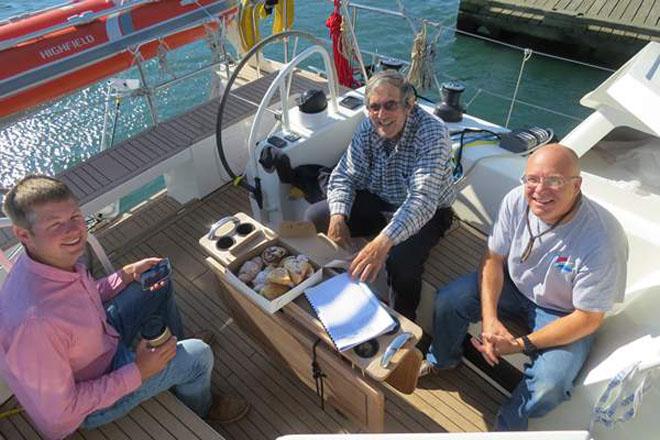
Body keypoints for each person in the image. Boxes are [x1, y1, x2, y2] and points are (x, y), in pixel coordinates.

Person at [0, 175, 249, 439]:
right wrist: (139, 371)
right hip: (90, 401)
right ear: (23, 234)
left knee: (157, 281)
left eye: (75, 217)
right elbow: (61, 415)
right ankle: (202, 403)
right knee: (200, 356)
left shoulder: (44, 261)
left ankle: (172, 349)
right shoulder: (34, 324)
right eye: (55, 225)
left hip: (101, 339)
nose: (73, 231)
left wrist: (127, 273)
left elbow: (82, 298)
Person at [421, 144, 628, 430]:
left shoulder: (602, 239)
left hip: (563, 312)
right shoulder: (515, 201)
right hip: (513, 285)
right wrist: (490, 319)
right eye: (532, 179)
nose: (539, 190)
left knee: (550, 385)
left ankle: (508, 425)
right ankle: (443, 359)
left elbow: (588, 318)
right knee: (450, 300)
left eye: (554, 180)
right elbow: (493, 259)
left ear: (577, 185)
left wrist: (519, 345)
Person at [305, 70, 456, 321]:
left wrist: (382, 242)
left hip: (431, 211)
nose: (381, 116)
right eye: (374, 107)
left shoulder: (432, 134)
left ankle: (404, 323)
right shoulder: (367, 127)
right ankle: (329, 290)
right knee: (316, 216)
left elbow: (422, 201)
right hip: (382, 200)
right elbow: (344, 175)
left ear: (409, 105)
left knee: (401, 263)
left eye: (390, 106)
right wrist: (338, 216)